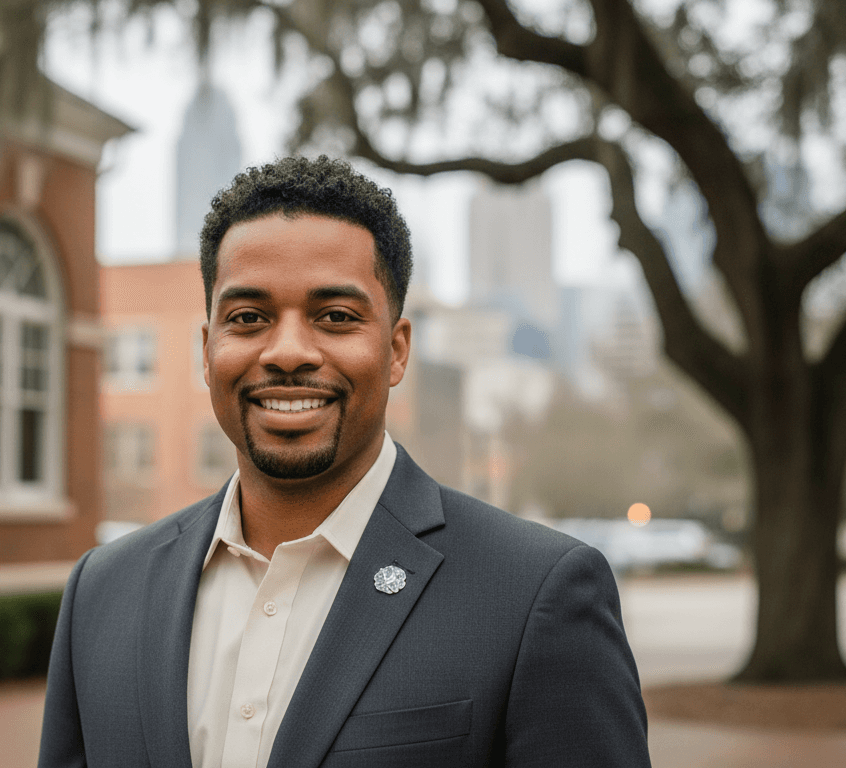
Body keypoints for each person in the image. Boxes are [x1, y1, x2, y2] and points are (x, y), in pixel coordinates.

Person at [38, 156, 650, 768]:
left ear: (396, 350)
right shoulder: (102, 593)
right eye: (248, 318)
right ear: (207, 351)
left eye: (335, 317)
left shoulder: (533, 596)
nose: (287, 352)